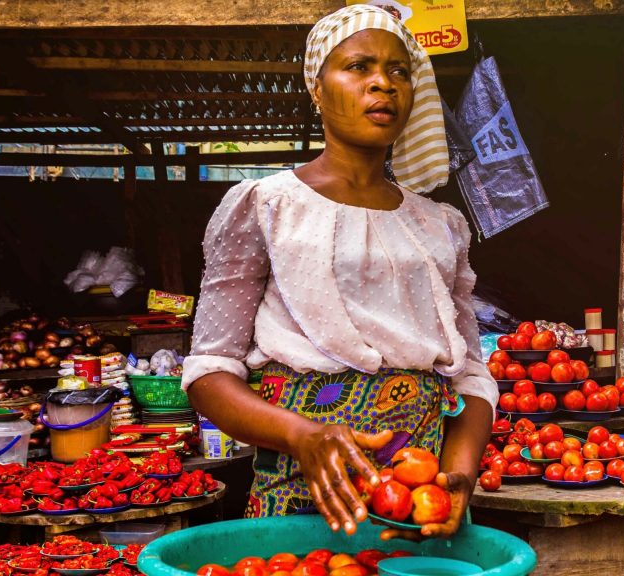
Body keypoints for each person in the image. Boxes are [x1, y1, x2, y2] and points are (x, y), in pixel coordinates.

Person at [182, 4, 497, 539]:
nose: (383, 83)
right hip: (301, 486)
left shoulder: (440, 225)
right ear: (318, 89)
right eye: (359, 67)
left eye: (400, 71)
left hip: (418, 500)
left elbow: (470, 376)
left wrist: (458, 476)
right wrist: (304, 437)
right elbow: (210, 371)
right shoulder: (265, 205)